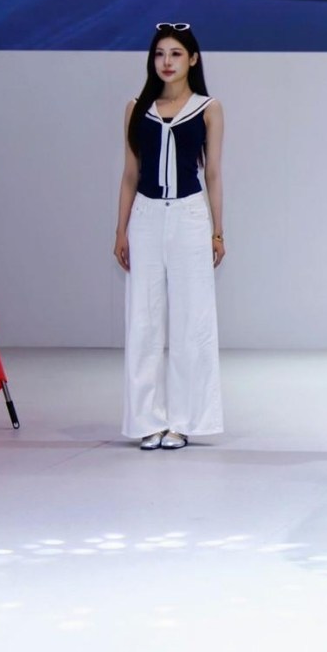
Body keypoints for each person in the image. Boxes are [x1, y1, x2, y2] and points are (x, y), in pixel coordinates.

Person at [113, 23, 225, 450]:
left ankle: (183, 420)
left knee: (191, 319)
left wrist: (218, 231)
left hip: (190, 215)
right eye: (160, 54)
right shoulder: (135, 108)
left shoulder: (208, 108)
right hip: (145, 216)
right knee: (143, 319)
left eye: (176, 54)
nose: (167, 62)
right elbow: (129, 174)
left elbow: (213, 173)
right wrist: (121, 230)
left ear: (192, 59)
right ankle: (147, 420)